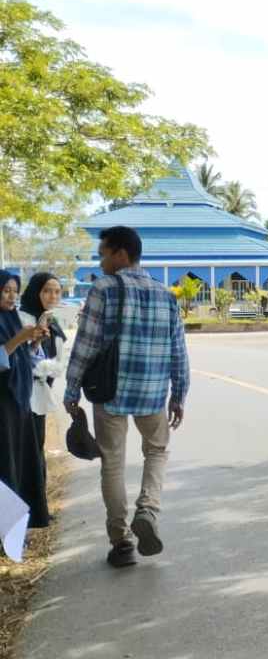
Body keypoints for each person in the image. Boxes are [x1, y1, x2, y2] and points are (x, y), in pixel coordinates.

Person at [63, 226, 189, 569]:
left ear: (121, 254)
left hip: (110, 392)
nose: (100, 261)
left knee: (113, 463)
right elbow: (178, 351)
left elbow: (85, 345)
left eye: (103, 253)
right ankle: (148, 509)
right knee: (157, 450)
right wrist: (178, 394)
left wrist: (72, 389)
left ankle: (121, 543)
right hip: (152, 393)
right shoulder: (167, 295)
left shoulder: (103, 289)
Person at [0, 271, 52, 539]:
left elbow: (25, 360)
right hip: (3, 406)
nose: (11, 296)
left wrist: (34, 342)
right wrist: (20, 338)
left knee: (20, 464)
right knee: (5, 467)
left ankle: (17, 529)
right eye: (5, 290)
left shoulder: (12, 319)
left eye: (14, 290)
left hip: (19, 402)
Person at [19, 273, 68, 510]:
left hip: (39, 397)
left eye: (57, 291)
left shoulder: (52, 322)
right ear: (36, 291)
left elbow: (59, 365)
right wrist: (43, 364)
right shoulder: (22, 319)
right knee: (23, 454)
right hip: (19, 396)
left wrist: (45, 367)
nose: (53, 296)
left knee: (37, 451)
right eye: (47, 290)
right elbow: (23, 362)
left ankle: (38, 510)